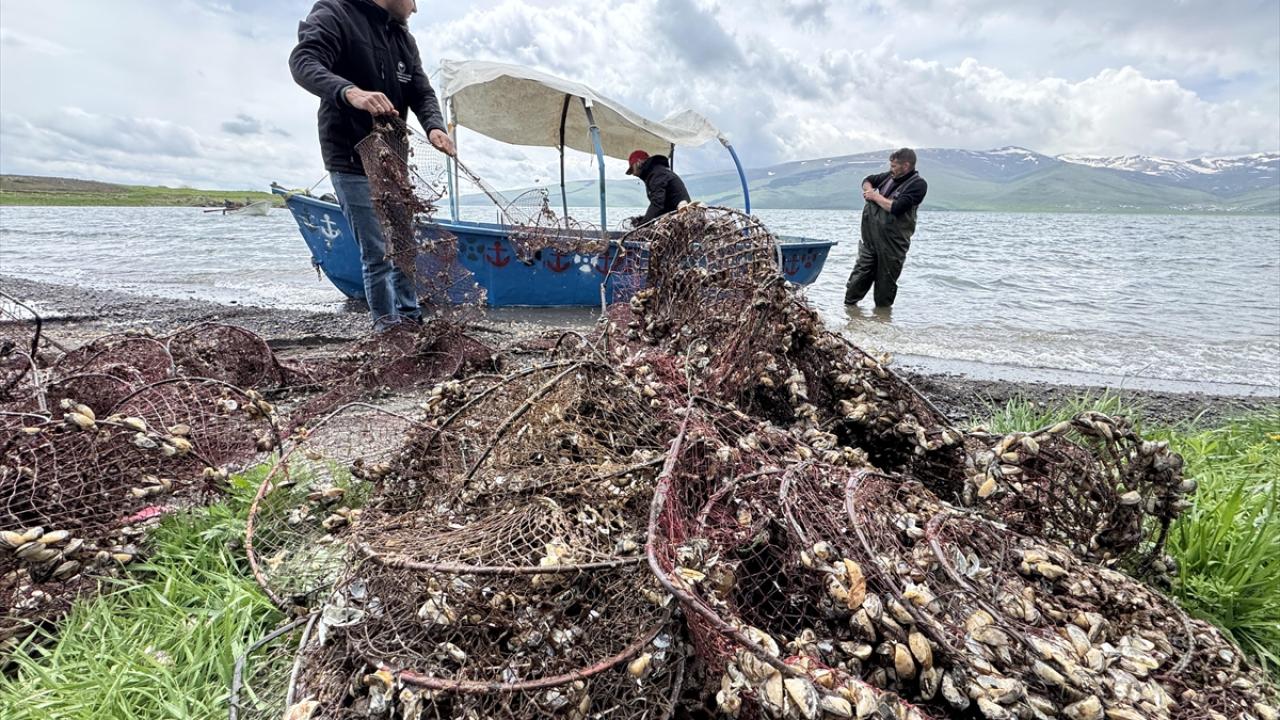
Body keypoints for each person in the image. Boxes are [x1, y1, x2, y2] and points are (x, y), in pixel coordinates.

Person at [289, 0, 456, 330]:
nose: (415, 8)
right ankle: (388, 329)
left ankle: (410, 318)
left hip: (392, 159)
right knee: (377, 251)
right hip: (350, 157)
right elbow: (303, 61)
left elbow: (421, 92)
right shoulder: (335, 12)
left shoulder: (404, 39)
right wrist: (350, 92)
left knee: (405, 247)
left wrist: (434, 126)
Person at [844, 148, 928, 308]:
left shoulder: (918, 185)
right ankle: (849, 314)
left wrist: (875, 196)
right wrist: (868, 190)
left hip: (893, 244)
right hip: (870, 241)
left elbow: (896, 207)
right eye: (891, 165)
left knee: (885, 288)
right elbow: (867, 180)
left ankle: (882, 319)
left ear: (906, 165)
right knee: (857, 279)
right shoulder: (887, 177)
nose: (891, 169)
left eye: (894, 166)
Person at [626, 150, 691, 227]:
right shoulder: (657, 172)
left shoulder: (657, 174)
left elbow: (657, 204)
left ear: (638, 163)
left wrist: (642, 225)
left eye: (632, 169)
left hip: (680, 219)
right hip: (675, 217)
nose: (633, 174)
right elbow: (662, 206)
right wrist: (644, 219)